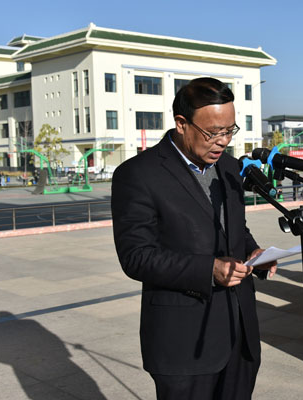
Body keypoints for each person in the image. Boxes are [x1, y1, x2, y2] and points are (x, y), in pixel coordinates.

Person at [111, 78, 277, 400]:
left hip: (239, 333)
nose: (223, 141)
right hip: (184, 342)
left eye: (229, 130)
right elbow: (136, 256)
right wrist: (209, 269)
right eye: (213, 132)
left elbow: (235, 228)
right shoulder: (138, 174)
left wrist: (253, 252)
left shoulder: (229, 167)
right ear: (181, 123)